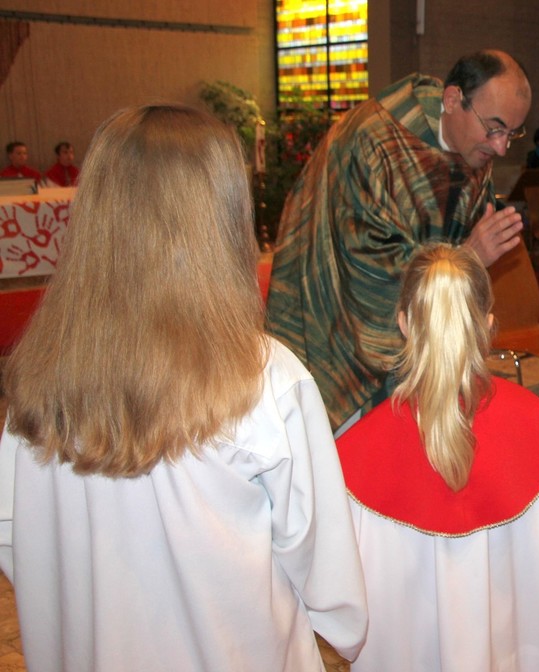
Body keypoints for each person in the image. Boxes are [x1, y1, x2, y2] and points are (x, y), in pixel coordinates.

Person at [0, 104, 368, 671]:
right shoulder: (265, 377)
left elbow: (15, 537)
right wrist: (344, 629)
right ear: (224, 220)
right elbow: (327, 573)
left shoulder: (38, 378)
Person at [337, 243, 539, 671]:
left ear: (404, 324)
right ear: (487, 325)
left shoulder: (357, 457)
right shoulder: (536, 433)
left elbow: (344, 599)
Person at [266, 49, 531, 434]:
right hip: (342, 335)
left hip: (418, 341)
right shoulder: (373, 143)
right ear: (453, 100)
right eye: (495, 128)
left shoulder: (473, 147)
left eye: (512, 134)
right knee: (361, 458)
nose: (501, 147)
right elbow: (367, 272)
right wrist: (467, 257)